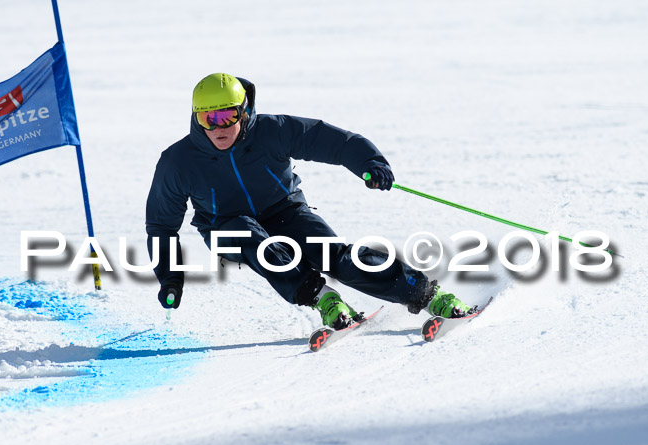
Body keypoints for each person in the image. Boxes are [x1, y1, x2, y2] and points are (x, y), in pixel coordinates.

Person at [146, 73, 476, 330]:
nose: (218, 128)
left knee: (336, 257)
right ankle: (323, 299)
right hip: (227, 227)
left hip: (284, 210)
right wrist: (170, 277)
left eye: (227, 117)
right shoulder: (179, 162)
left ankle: (427, 294)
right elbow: (162, 224)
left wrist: (370, 164)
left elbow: (330, 140)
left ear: (243, 112)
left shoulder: (271, 131)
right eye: (208, 119)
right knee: (249, 235)